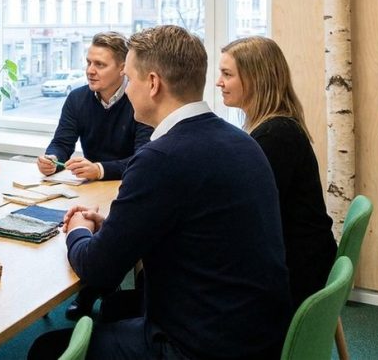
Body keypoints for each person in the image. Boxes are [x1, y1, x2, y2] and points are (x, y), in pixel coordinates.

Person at [29, 25, 291, 359]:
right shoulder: (242, 141)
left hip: (199, 346)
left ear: (153, 84)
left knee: (46, 349)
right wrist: (112, 224)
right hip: (257, 332)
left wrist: (79, 229)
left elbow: (97, 269)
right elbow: (193, 224)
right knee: (115, 315)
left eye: (129, 78)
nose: (127, 89)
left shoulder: (161, 158)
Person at [218, 35, 337, 310]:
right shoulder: (275, 127)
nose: (219, 82)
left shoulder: (276, 135)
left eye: (227, 74)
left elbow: (248, 213)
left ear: (255, 79)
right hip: (300, 256)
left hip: (295, 270)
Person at [38, 31, 153, 181]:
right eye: (89, 63)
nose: (90, 71)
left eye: (99, 64)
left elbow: (143, 159)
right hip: (91, 185)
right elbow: (61, 143)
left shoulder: (141, 100)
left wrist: (100, 170)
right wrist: (52, 160)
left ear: (122, 69)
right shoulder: (76, 98)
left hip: (131, 183)